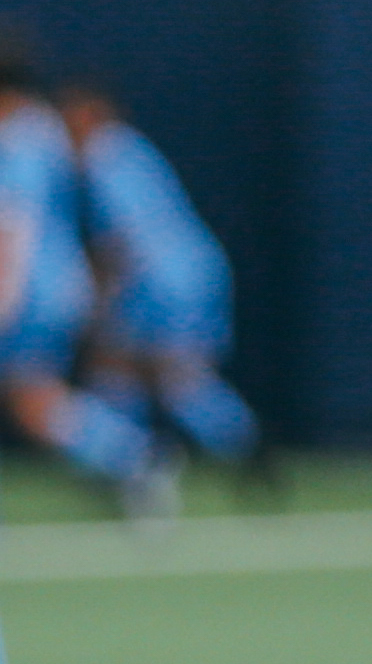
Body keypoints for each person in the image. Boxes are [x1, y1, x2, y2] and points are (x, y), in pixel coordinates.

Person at [0, 27, 169, 521]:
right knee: (31, 397)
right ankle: (132, 455)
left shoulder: (2, 141)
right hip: (58, 287)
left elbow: (4, 222)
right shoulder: (47, 131)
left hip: (15, 289)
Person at [64, 78, 266, 482]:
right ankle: (126, 458)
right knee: (137, 368)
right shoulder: (129, 150)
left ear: (93, 113)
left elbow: (123, 239)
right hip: (189, 270)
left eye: (70, 118)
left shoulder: (106, 154)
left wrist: (93, 294)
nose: (65, 129)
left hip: (165, 280)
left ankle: (132, 457)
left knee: (164, 373)